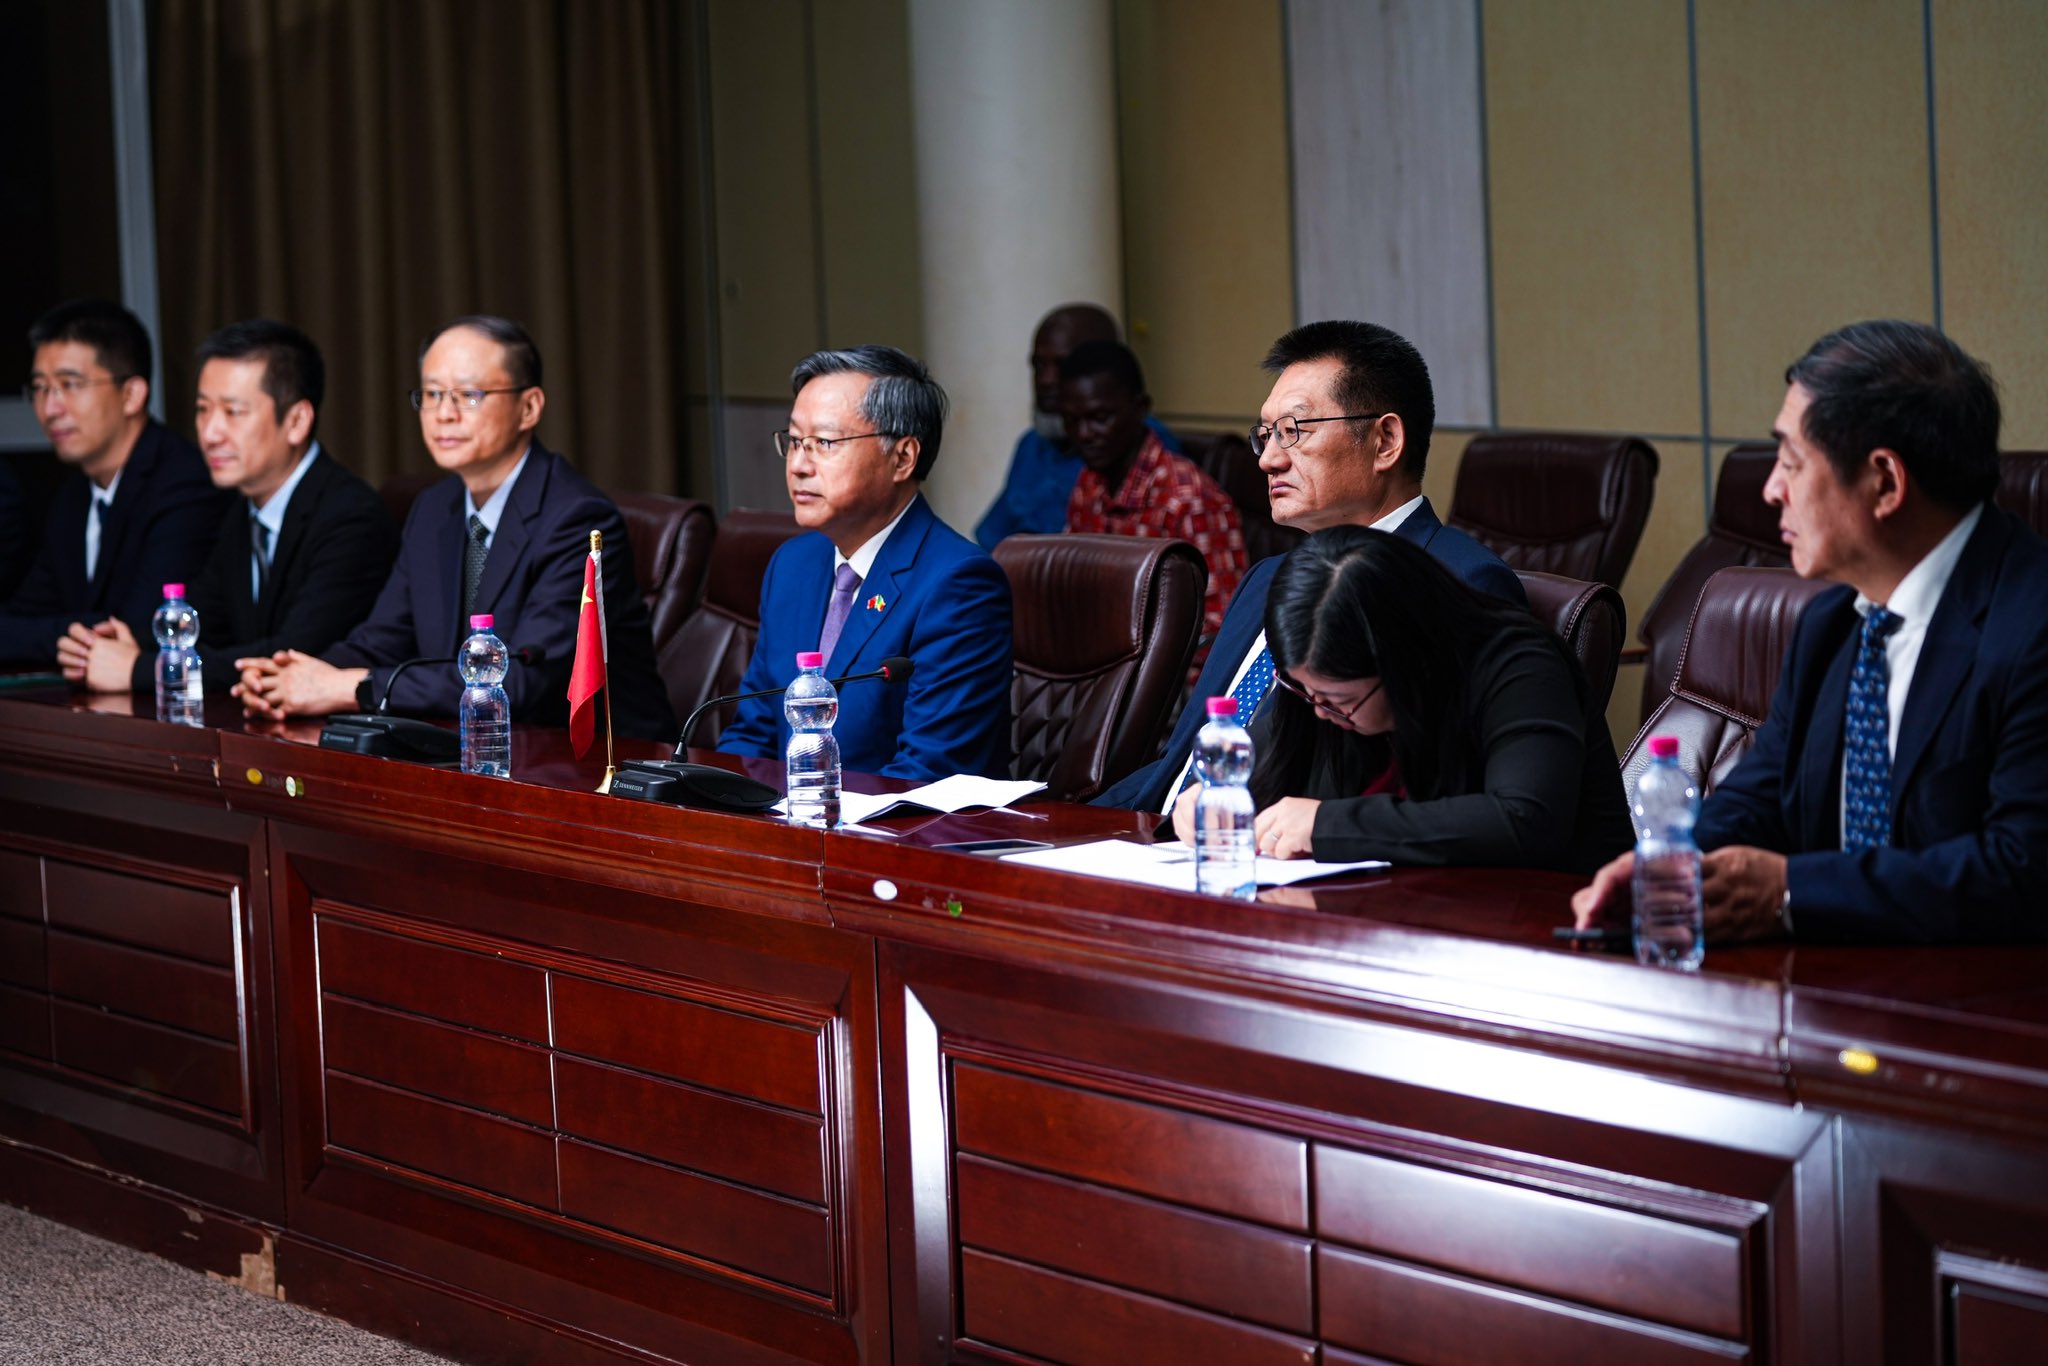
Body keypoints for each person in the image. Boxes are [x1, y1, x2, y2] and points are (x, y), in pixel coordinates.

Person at [1574, 320, 2048, 944]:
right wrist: (1668, 868)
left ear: (1884, 482)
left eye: (1792, 461)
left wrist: (1791, 892)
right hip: (1829, 1001)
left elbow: (2022, 873)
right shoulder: (1834, 624)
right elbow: (1761, 799)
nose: (1772, 489)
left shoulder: (2031, 629)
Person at [1096, 319, 1524, 816]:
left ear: (1385, 441)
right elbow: (1177, 766)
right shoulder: (1268, 578)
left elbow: (1438, 795)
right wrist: (1075, 827)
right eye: (1266, 435)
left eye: (1293, 432)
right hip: (1157, 839)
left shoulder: (1459, 580)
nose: (1268, 460)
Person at [234, 315, 675, 739]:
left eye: (468, 395)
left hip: (591, 772)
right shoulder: (434, 508)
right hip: (470, 752)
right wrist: (290, 681)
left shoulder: (578, 520)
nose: (444, 414)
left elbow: (521, 682)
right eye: (431, 394)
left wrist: (350, 688)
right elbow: (381, 640)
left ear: (529, 407)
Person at [1170, 526, 1629, 873]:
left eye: (1337, 699)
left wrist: (1329, 824)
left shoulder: (1520, 667)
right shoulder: (1319, 689)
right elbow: (1264, 770)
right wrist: (1209, 801)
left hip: (1547, 933)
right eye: (1302, 690)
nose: (1319, 712)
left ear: (1400, 661)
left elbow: (1522, 821)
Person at [55, 320, 399, 696]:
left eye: (233, 412)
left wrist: (147, 668)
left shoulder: (350, 515)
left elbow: (292, 656)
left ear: (297, 421)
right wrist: (130, 644)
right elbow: (205, 620)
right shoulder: (242, 511)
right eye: (203, 410)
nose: (210, 432)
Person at [718, 346, 1013, 781]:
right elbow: (752, 738)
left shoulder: (958, 584)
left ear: (902, 458)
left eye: (824, 443)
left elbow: (930, 772)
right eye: (795, 441)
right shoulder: (793, 566)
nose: (799, 465)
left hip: (897, 839)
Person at [1, 299, 230, 666]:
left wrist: (73, 635)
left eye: (69, 385)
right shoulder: (72, 499)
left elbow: (143, 631)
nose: (50, 408)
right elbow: (17, 621)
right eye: (41, 389)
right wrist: (77, 635)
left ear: (131, 394)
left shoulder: (185, 484)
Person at [1059, 340, 1246, 676]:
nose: (1084, 434)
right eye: (1072, 421)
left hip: (1168, 684)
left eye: (1099, 418)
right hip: (1097, 671)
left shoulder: (1188, 497)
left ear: (1140, 408)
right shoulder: (1089, 483)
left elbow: (1224, 630)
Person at [972, 303, 1180, 551]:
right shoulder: (1031, 445)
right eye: (1038, 366)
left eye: (1062, 366)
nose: (1046, 380)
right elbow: (992, 540)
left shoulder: (1136, 450)